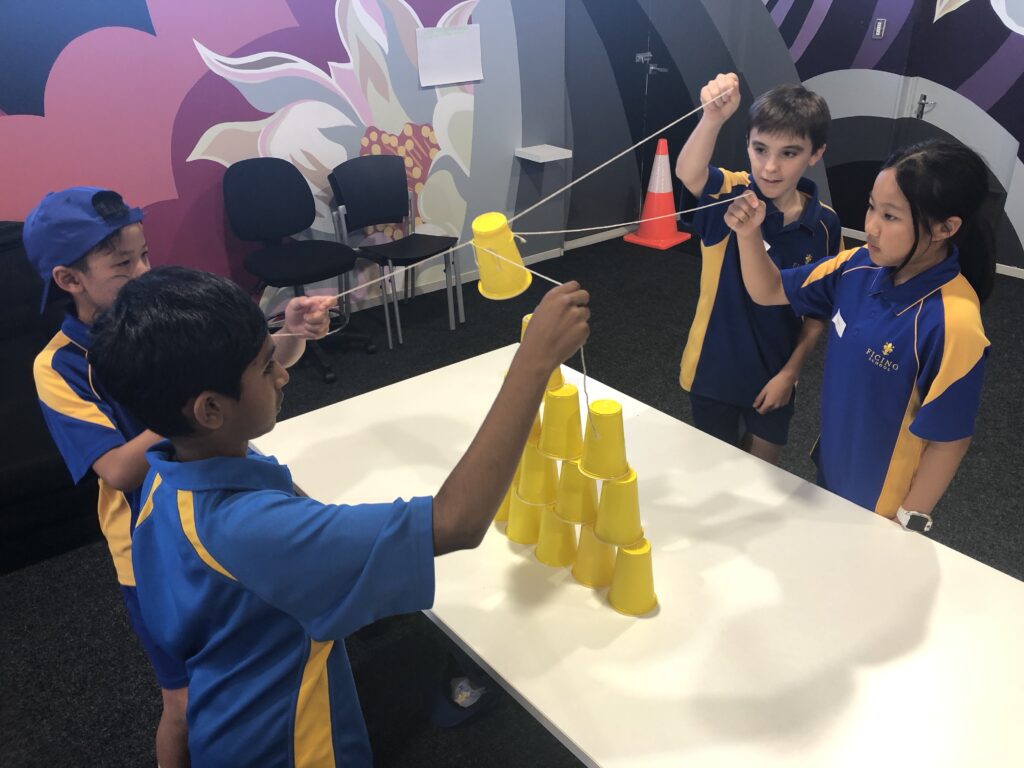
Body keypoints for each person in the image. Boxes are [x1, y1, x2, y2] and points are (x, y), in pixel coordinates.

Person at [87, 266, 590, 765]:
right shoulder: (251, 531)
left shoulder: (164, 476)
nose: (282, 373)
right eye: (266, 366)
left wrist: (285, 335)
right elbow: (457, 521)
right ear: (210, 410)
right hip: (294, 748)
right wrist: (534, 360)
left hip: (223, 721)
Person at [23, 187, 334, 766]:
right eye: (123, 264)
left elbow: (250, 379)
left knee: (259, 655)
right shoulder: (59, 366)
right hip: (152, 550)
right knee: (184, 702)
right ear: (69, 280)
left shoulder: (165, 320)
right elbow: (116, 468)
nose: (143, 272)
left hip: (224, 516)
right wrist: (191, 402)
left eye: (145, 255)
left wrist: (286, 334)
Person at [724, 139, 994, 530]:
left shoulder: (955, 322)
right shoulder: (856, 265)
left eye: (891, 216)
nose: (871, 226)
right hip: (834, 472)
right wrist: (749, 234)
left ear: (945, 228)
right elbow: (767, 290)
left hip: (883, 509)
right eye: (872, 207)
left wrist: (906, 524)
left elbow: (949, 440)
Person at [675, 73, 843, 464]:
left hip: (775, 375)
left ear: (815, 154)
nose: (770, 167)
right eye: (760, 148)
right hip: (712, 370)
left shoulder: (825, 224)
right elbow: (688, 172)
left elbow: (818, 312)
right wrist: (712, 118)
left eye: (789, 153)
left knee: (762, 478)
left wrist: (791, 374)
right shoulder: (729, 192)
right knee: (711, 474)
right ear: (747, 143)